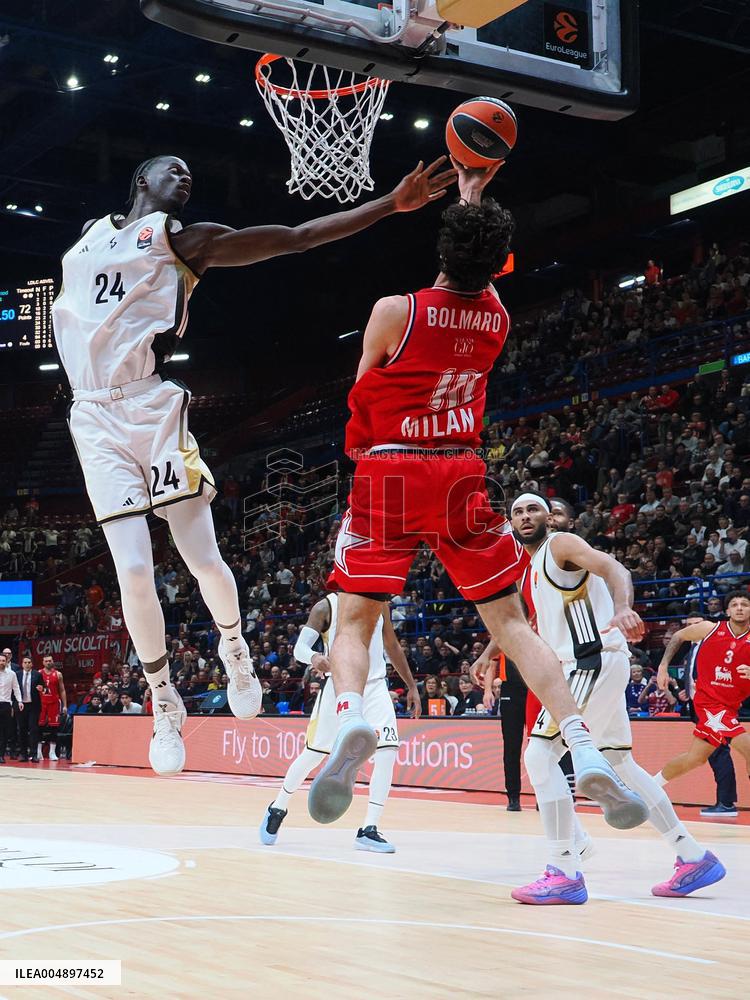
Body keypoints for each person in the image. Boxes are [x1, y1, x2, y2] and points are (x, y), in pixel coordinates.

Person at [51, 153, 454, 777]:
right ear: (140, 179)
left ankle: (234, 646)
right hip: (91, 415)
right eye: (173, 169)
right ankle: (164, 700)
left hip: (149, 408)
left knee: (199, 557)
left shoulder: (183, 242)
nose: (187, 176)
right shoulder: (86, 240)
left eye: (193, 171)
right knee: (131, 569)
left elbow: (297, 238)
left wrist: (388, 206)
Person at [306, 159, 647, 831]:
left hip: (391, 468)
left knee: (354, 621)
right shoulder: (496, 319)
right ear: (495, 261)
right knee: (513, 625)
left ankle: (349, 721)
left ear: (441, 250)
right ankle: (583, 742)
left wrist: (465, 209)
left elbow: (364, 387)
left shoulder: (392, 311)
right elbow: (478, 281)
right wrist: (474, 203)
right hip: (460, 471)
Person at [478, 494, 724, 904]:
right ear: (510, 522)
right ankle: (692, 855)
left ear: (550, 518)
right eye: (518, 511)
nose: (526, 516)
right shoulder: (530, 570)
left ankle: (564, 868)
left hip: (587, 663)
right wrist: (489, 654)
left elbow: (614, 567)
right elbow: (519, 623)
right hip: (601, 665)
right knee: (620, 762)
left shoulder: (560, 545)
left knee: (539, 756)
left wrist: (624, 606)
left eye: (534, 509)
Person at [259, 593, 420, 853]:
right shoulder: (326, 606)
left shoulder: (380, 604)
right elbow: (300, 647)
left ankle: (369, 828)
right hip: (340, 686)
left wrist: (411, 685)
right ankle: (278, 806)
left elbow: (392, 645)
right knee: (313, 754)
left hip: (376, 687)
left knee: (388, 751)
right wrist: (313, 658)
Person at [655, 593, 750, 804]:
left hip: (731, 706)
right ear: (727, 611)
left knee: (695, 759)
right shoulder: (710, 628)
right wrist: (663, 667)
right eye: (734, 604)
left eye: (744, 604)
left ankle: (650, 788)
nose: (740, 608)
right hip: (707, 702)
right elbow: (679, 636)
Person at [37, 655, 66, 762]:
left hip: (54, 703)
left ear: (53, 661)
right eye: (46, 661)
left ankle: (52, 752)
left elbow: (62, 690)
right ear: (43, 662)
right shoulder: (38, 673)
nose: (48, 662)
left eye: (50, 660)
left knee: (54, 727)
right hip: (41, 703)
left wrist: (65, 705)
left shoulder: (58, 674)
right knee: (39, 726)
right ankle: (38, 751)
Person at [13, 655, 42, 762]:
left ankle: (34, 754)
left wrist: (41, 688)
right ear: (22, 664)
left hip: (33, 706)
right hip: (21, 706)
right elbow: (14, 690)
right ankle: (23, 754)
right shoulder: (17, 674)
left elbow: (43, 688)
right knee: (22, 730)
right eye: (25, 662)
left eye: (29, 662)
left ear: (32, 664)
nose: (27, 664)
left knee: (34, 729)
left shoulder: (37, 675)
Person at [0, 652, 23, 764]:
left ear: (7, 661)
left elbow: (16, 688)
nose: (1, 663)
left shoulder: (12, 674)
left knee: (4, 732)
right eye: (0, 661)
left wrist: (19, 701)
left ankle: (1, 755)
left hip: (6, 704)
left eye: (3, 661)